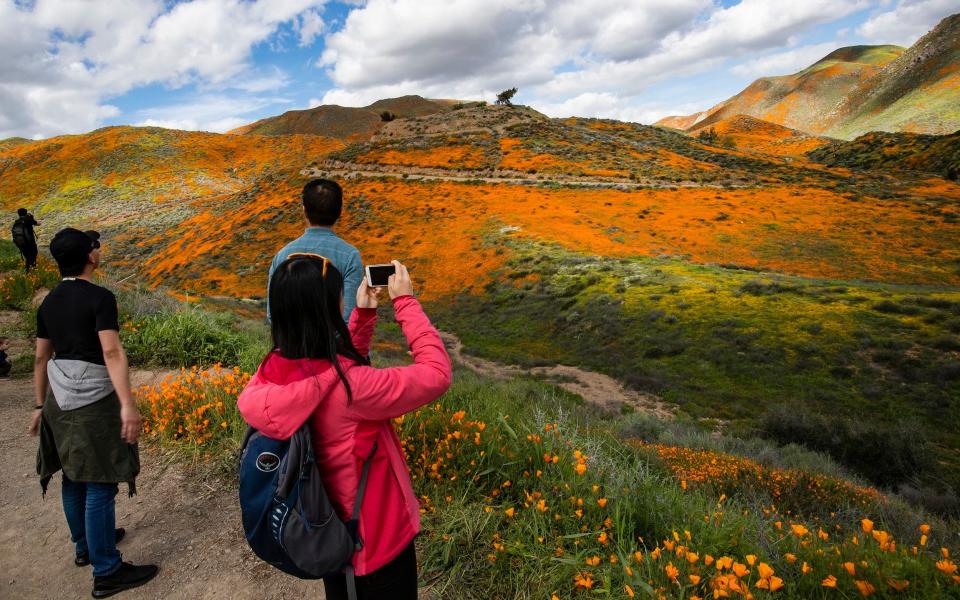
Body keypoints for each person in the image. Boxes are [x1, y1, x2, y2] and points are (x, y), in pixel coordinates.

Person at [238, 257, 452, 600]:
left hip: (326, 533)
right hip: (376, 543)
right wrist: (406, 302)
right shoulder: (354, 389)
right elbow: (437, 374)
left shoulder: (273, 370)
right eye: (340, 297)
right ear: (327, 310)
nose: (344, 302)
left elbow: (329, 371)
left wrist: (363, 318)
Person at [29, 228, 158, 598]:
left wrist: (40, 406)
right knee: (100, 480)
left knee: (72, 475)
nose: (98, 249)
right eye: (95, 246)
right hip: (93, 399)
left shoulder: (49, 302)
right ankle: (107, 570)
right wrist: (128, 405)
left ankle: (85, 547)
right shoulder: (101, 298)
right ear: (90, 256)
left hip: (60, 399)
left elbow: (41, 357)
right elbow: (112, 353)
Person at [267, 179, 363, 323]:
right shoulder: (350, 256)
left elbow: (272, 315)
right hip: (333, 345)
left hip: (290, 344)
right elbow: (348, 316)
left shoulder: (282, 255)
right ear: (339, 211)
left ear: (304, 210)